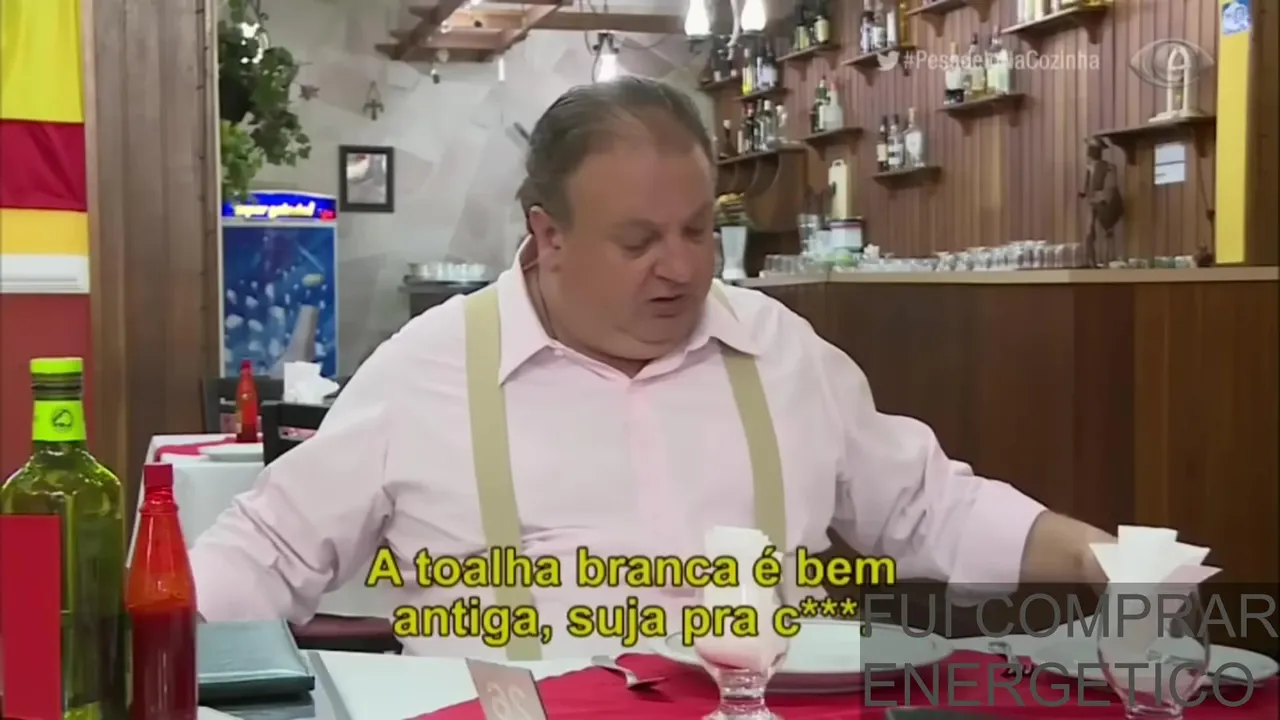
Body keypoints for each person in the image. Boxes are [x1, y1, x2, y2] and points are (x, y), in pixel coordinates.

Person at [190, 77, 1111, 658]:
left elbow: (925, 505)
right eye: (638, 241)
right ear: (547, 234)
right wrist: (152, 644)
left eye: (698, 230)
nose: (681, 267)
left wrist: (1094, 553)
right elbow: (271, 549)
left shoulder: (780, 349)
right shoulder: (425, 370)